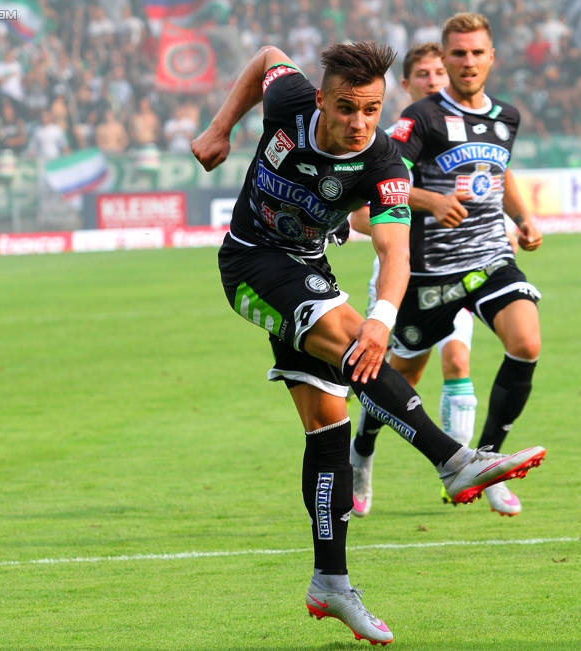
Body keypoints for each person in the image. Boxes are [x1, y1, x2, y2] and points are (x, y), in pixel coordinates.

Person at [192, 42, 546, 646]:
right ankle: (453, 460)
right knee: (355, 341)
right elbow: (267, 56)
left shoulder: (383, 160)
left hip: (310, 269)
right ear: (322, 99)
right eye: (347, 108)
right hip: (251, 264)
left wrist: (383, 317)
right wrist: (219, 127)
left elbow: (395, 250)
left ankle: (329, 582)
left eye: (372, 109)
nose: (359, 123)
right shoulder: (287, 99)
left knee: (327, 425)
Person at [351, 13, 545, 519]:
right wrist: (431, 201)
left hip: (488, 259)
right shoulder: (422, 117)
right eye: (458, 53)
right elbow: (380, 180)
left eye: (477, 52)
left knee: (525, 343)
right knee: (400, 379)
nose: (467, 62)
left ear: (492, 57)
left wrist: (523, 219)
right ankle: (363, 450)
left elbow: (498, 176)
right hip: (429, 275)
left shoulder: (507, 116)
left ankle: (488, 461)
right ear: (446, 55)